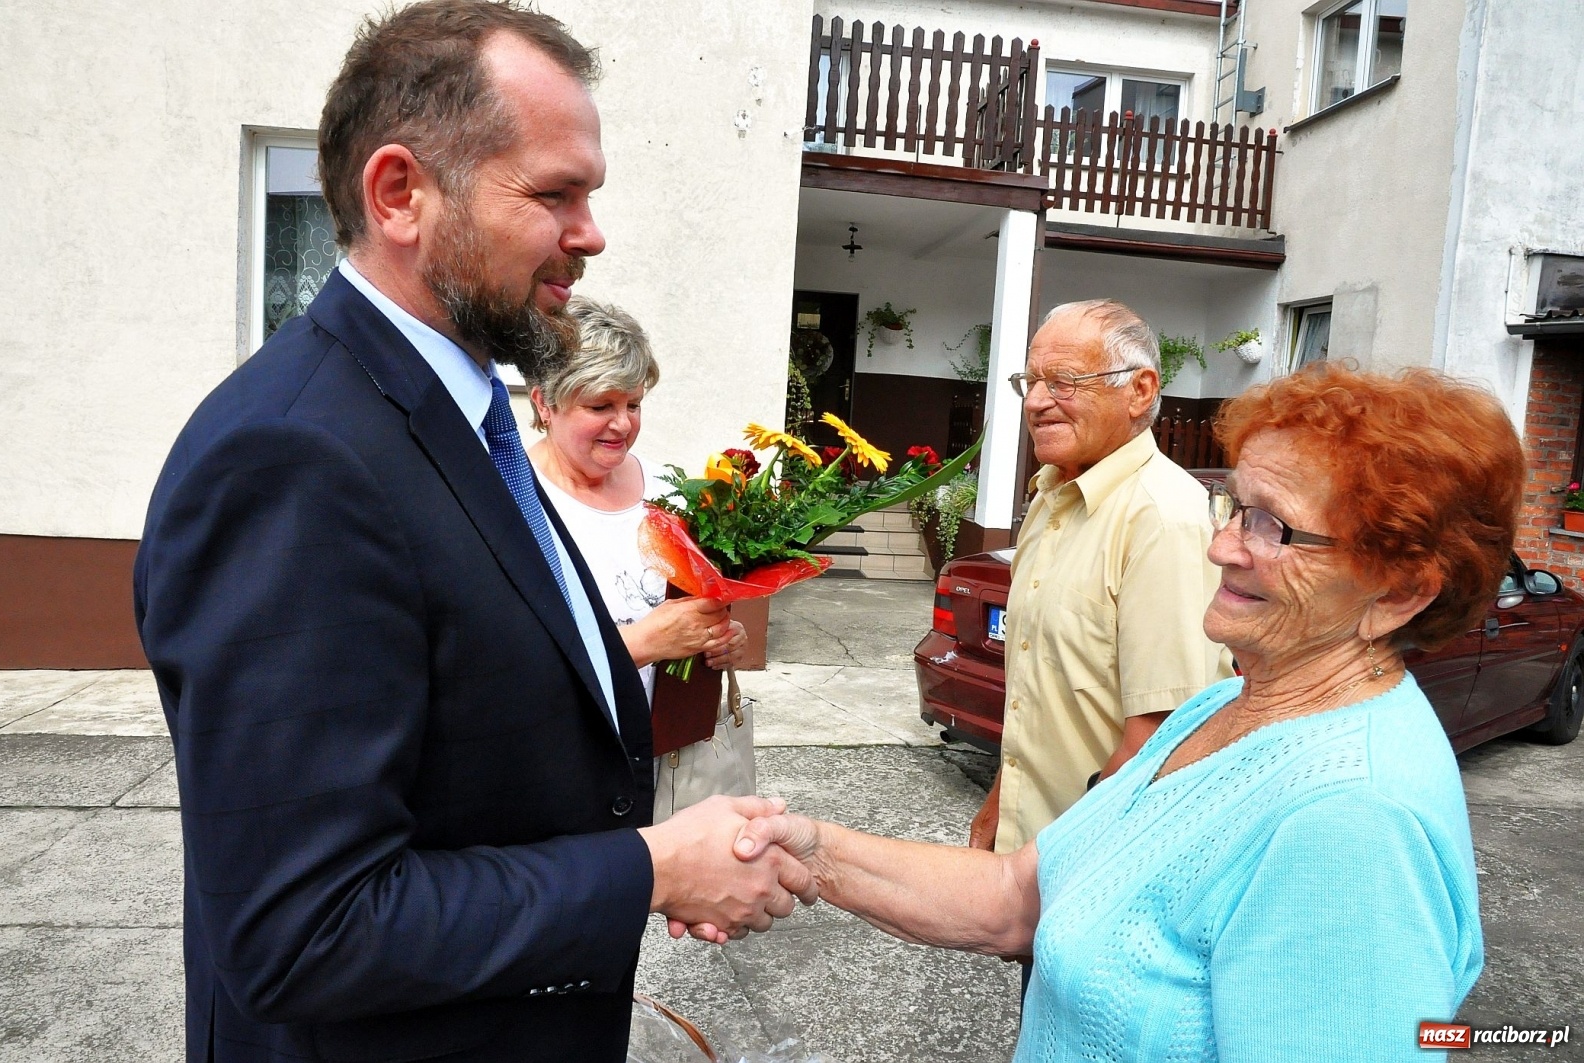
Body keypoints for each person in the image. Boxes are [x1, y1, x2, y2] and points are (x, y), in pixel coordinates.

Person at [132, 5, 812, 1062]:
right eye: (553, 194)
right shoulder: (291, 458)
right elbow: (305, 929)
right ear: (400, 193)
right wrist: (649, 868)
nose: (591, 233)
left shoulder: (463, 419)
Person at [729, 363, 1514, 1062]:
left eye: (1271, 525)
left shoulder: (1352, 825)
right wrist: (810, 851)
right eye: (1234, 507)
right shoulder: (1222, 706)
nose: (1221, 546)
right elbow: (1016, 895)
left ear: (1400, 591)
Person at [971, 299, 1234, 857]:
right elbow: (1041, 703)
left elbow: (1161, 739)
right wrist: (1002, 804)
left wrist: (1051, 867)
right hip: (1035, 851)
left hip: (1094, 861)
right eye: (1031, 382)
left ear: (1139, 391)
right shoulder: (1051, 499)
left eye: (1063, 382)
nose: (1036, 402)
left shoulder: (1163, 518)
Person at [527, 296, 755, 820]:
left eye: (633, 404)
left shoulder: (669, 491)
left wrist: (722, 640)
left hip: (672, 759)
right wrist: (645, 643)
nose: (622, 425)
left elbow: (695, 605)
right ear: (545, 404)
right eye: (600, 406)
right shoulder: (508, 499)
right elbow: (501, 665)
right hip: (565, 765)